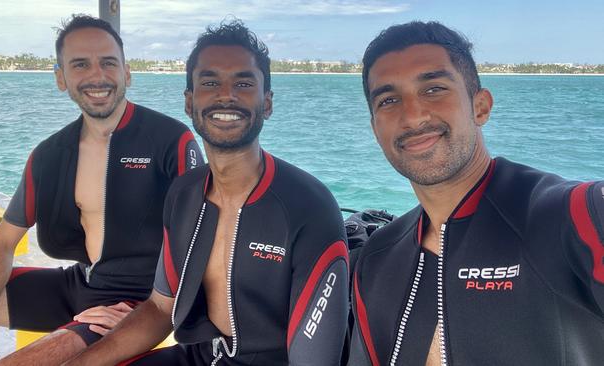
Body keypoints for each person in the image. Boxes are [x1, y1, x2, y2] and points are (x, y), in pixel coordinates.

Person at [65, 20, 349, 366]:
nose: (225, 94)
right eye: (210, 82)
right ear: (189, 102)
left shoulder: (308, 207)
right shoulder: (184, 194)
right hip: (200, 355)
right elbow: (159, 307)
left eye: (243, 83)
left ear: (268, 103)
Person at [349, 21, 604, 366]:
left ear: (480, 106)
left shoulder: (571, 215)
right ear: (375, 129)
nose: (412, 115)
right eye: (389, 100)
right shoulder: (377, 258)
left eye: (433, 89)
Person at [0, 15, 203, 365]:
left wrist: (151, 315)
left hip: (138, 302)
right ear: (61, 78)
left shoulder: (170, 141)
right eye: (80, 64)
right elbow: (2, 243)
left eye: (108, 62)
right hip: (77, 283)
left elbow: (203, 239)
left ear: (126, 73)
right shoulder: (50, 155)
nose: (97, 75)